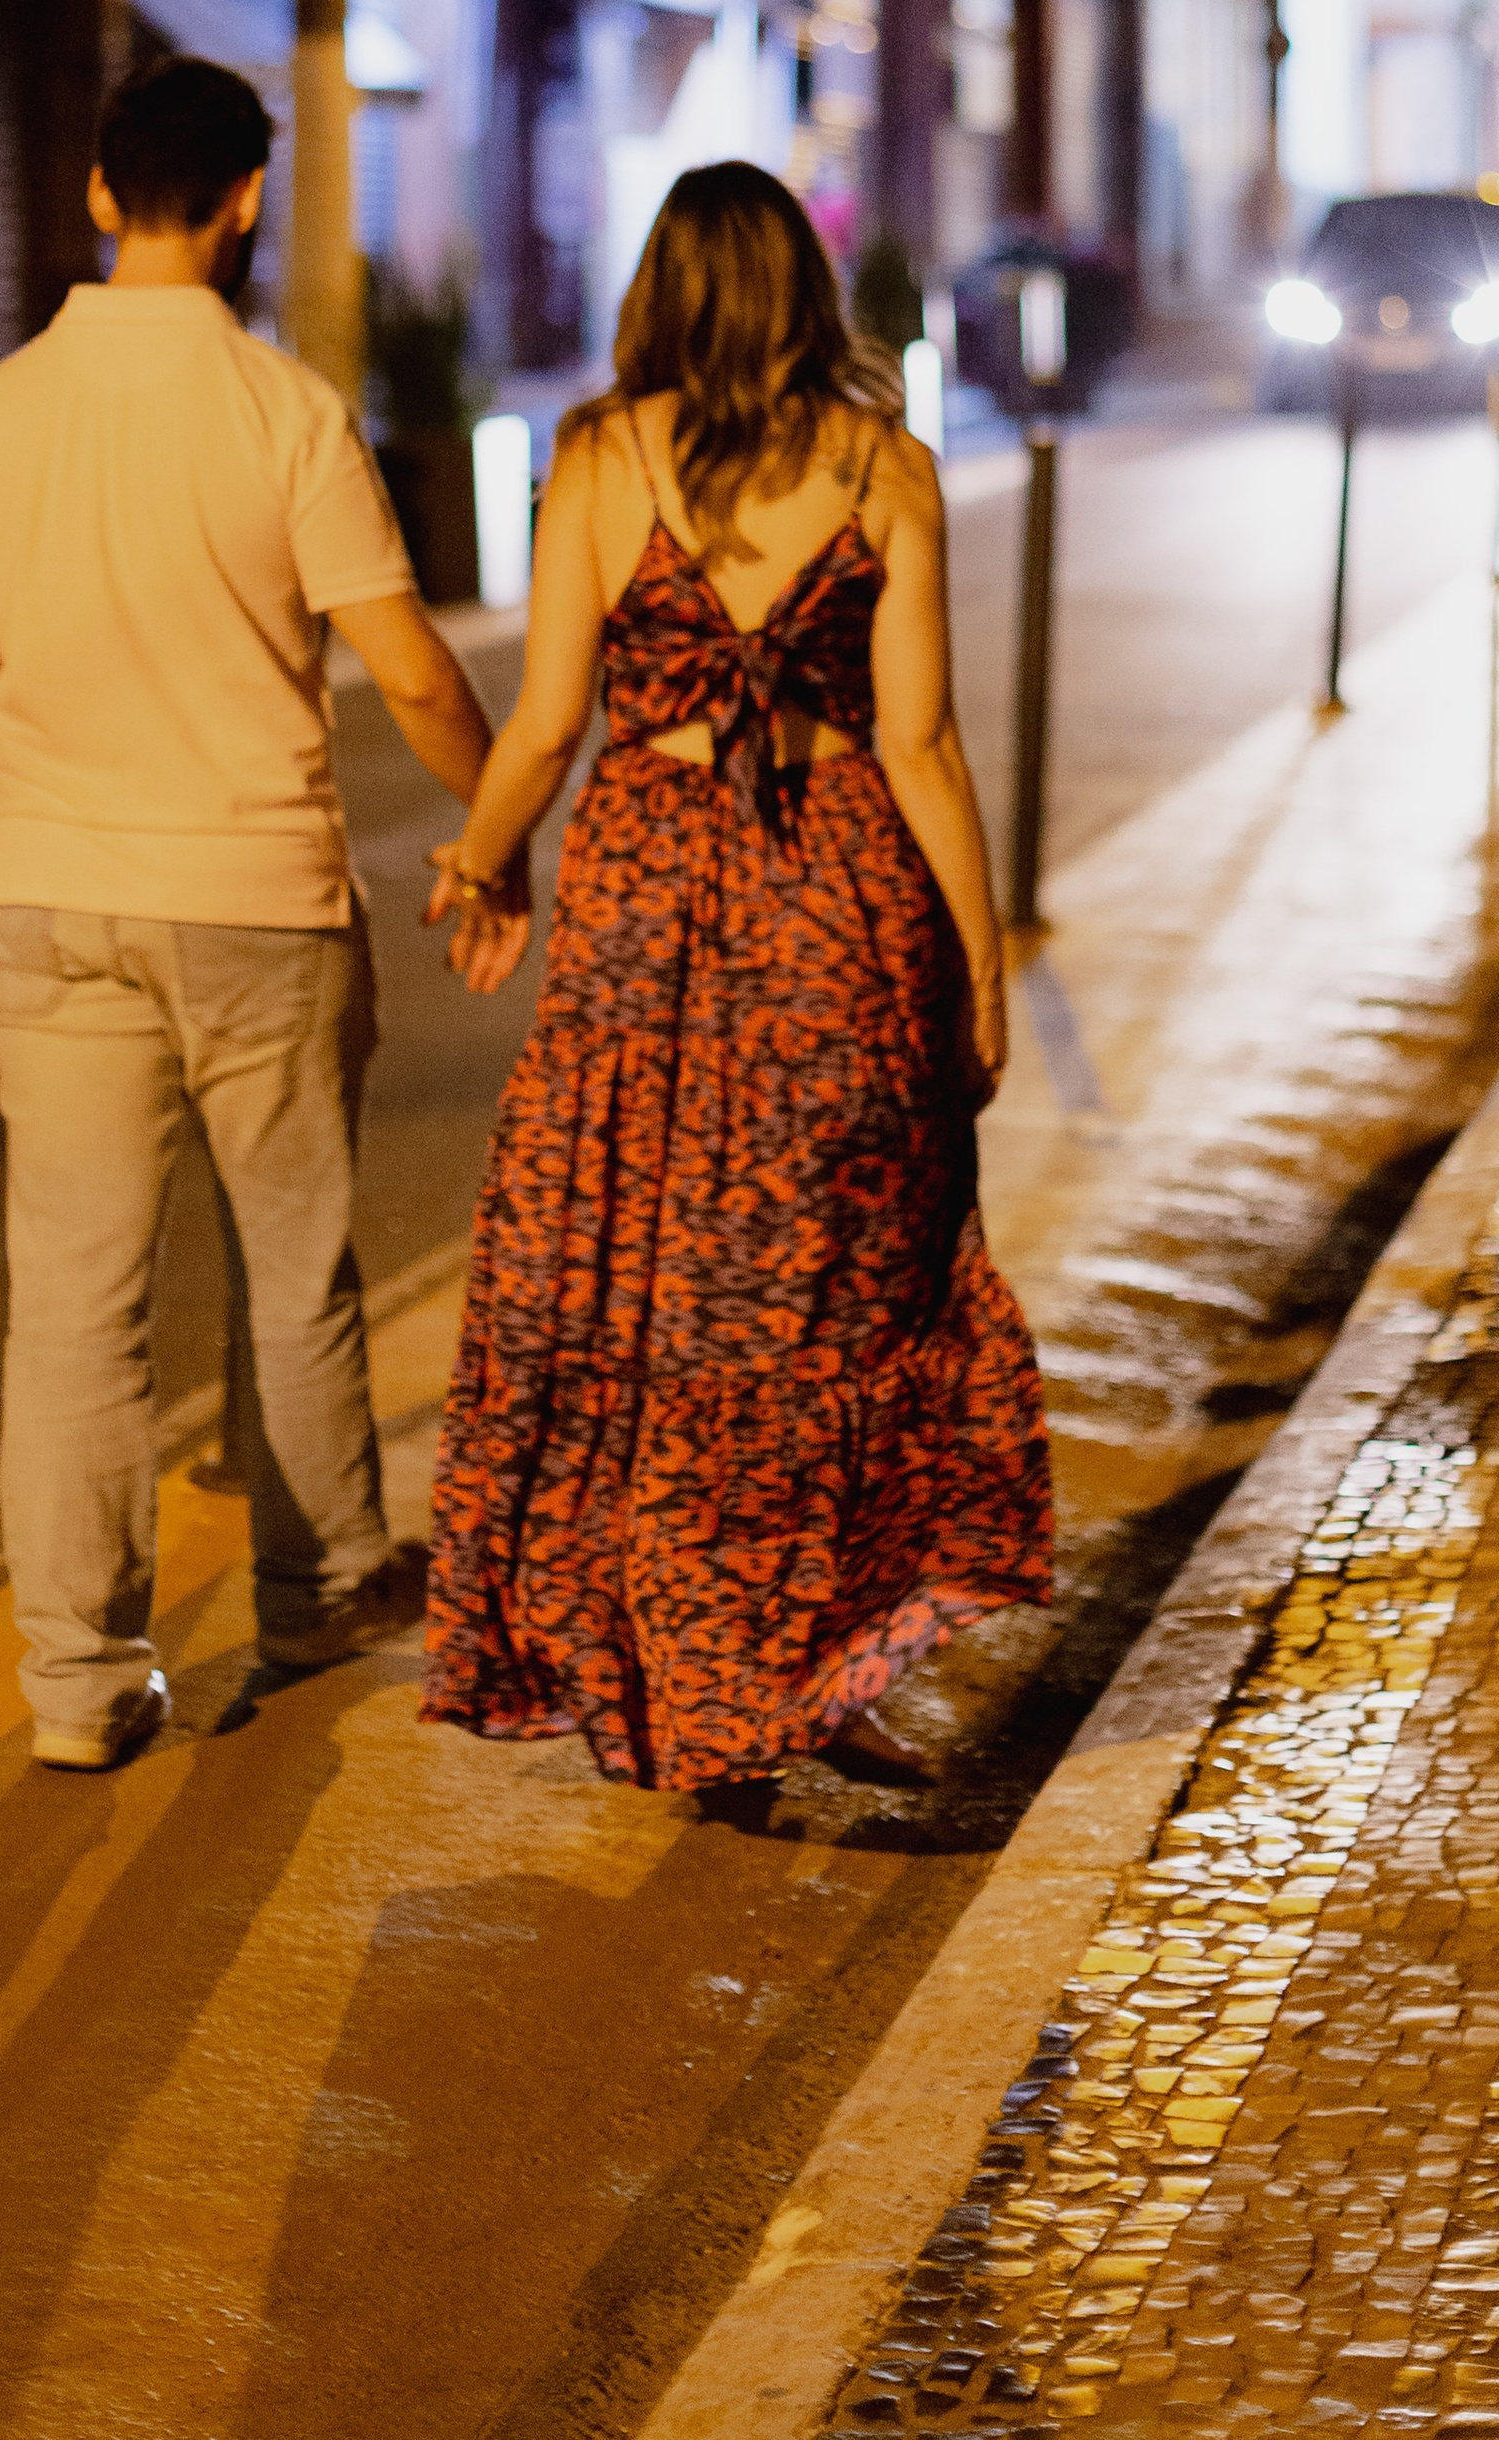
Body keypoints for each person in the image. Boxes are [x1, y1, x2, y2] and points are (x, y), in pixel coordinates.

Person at [0, 54, 527, 1775]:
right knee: (291, 1264)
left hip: (47, 895)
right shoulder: (287, 416)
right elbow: (409, 671)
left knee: (74, 1306)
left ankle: (80, 1683)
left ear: (103, 197)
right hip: (258, 900)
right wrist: (494, 843)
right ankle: (318, 1577)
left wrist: (7, 856)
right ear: (247, 199)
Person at [420, 161, 1051, 1799]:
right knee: (823, 1300)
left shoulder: (595, 457)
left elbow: (551, 721)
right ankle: (803, 1673)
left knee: (633, 1284)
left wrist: (480, 859)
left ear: (661, 294)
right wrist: (978, 958)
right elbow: (917, 739)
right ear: (804, 296)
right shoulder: (885, 467)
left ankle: (676, 1685)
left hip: (644, 904)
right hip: (838, 895)